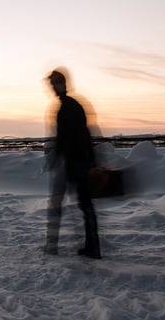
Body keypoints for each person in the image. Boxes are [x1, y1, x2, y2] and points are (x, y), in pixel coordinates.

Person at [43, 68, 101, 259]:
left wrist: (61, 155)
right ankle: (91, 247)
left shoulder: (69, 107)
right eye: (51, 85)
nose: (52, 88)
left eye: (54, 84)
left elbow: (74, 137)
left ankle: (55, 246)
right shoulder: (71, 105)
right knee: (82, 205)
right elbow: (83, 134)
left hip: (72, 162)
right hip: (75, 161)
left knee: (64, 204)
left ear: (61, 84)